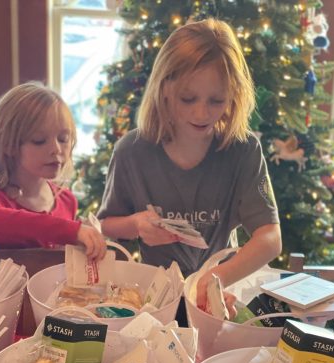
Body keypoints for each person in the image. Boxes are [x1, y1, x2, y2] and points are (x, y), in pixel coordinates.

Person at [97, 18, 282, 313]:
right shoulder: (132, 151)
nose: (201, 112)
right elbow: (106, 225)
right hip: (156, 300)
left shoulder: (243, 150)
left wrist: (214, 278)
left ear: (233, 94)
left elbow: (270, 239)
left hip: (221, 295)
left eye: (216, 100)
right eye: (188, 98)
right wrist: (137, 225)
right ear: (164, 88)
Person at [0, 81, 106, 259]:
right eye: (39, 140)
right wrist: (66, 229)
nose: (56, 149)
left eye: (63, 138)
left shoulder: (66, 201)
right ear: (8, 145)